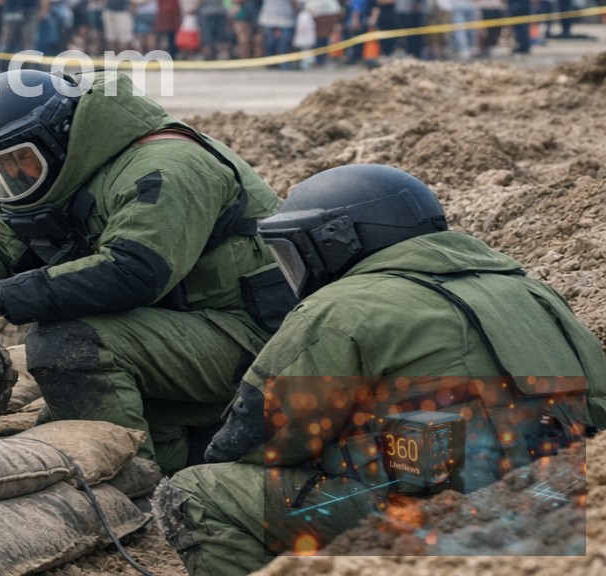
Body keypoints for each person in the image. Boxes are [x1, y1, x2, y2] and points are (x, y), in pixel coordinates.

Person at [155, 165, 606, 576]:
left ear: (336, 241)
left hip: (449, 528)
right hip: (565, 509)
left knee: (199, 490)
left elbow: (258, 440)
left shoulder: (342, 307)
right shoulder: (532, 291)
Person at [0, 69, 291, 473]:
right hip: (177, 331)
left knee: (68, 343)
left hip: (255, 340)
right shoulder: (60, 171)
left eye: (20, 159)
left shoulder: (169, 165)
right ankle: (168, 472)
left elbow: (132, 272)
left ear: (58, 138)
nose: (15, 175)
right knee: (75, 417)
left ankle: (128, 483)